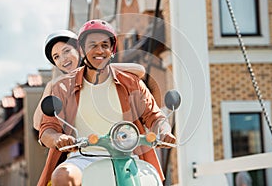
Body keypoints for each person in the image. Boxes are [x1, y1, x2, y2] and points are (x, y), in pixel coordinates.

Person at [37, 19, 176, 186]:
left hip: (127, 156)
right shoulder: (63, 87)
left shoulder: (131, 82)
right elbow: (47, 129)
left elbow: (154, 115)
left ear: (112, 50)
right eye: (92, 45)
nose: (99, 50)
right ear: (82, 50)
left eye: (105, 45)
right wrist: (59, 138)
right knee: (62, 176)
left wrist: (164, 130)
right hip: (83, 157)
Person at [33, 29, 146, 131]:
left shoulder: (102, 73)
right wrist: (49, 87)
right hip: (79, 149)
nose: (63, 59)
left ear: (80, 51)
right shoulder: (60, 88)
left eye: (66, 51)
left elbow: (139, 70)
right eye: (56, 57)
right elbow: (38, 124)